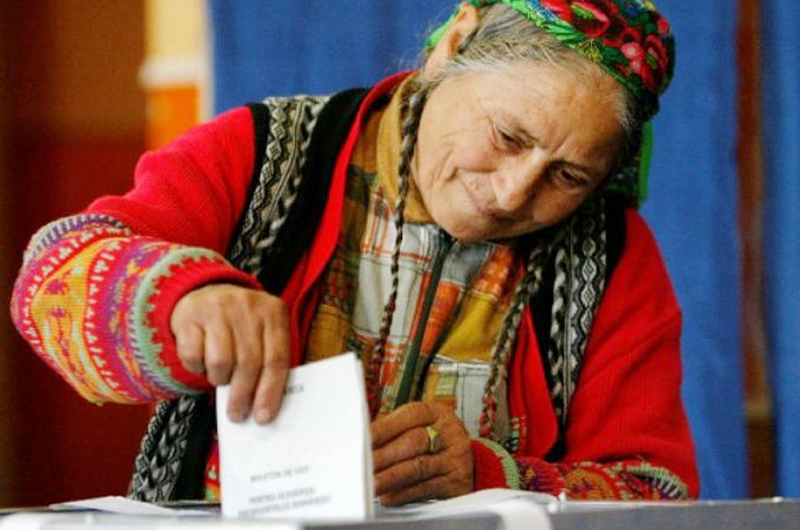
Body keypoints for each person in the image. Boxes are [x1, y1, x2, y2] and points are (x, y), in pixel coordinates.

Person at [10, 0, 699, 504]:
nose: (515, 193)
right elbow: (50, 282)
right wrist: (181, 299)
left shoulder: (610, 256)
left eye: (569, 176)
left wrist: (492, 477)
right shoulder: (265, 154)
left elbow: (655, 493)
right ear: (452, 46)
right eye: (509, 137)